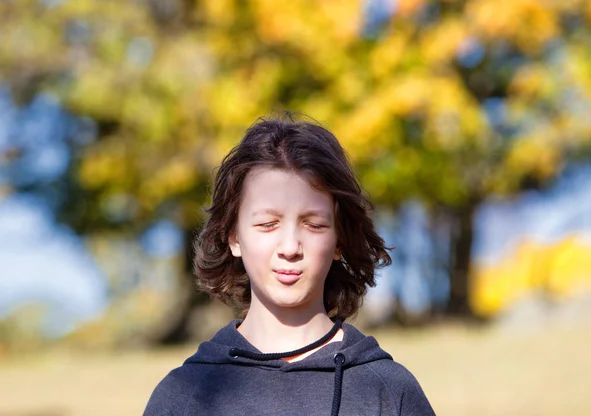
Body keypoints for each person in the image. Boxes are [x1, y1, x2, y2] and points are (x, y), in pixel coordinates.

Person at [143, 114, 435, 416]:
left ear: (339, 241)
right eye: (268, 224)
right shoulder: (184, 396)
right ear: (234, 238)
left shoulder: (388, 391)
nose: (290, 247)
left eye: (313, 225)